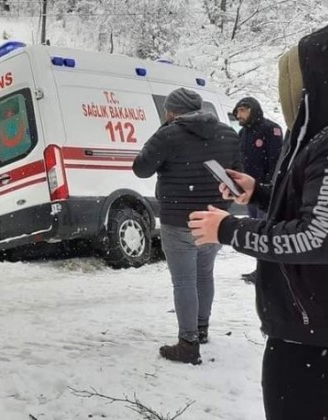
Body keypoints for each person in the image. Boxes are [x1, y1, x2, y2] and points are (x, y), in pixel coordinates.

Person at [188, 25, 328, 419]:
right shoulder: (311, 135)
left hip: (311, 337)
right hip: (308, 329)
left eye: (294, 80)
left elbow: (318, 236)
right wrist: (262, 192)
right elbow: (312, 205)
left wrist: (229, 230)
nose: (289, 92)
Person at [133, 87, 240, 365]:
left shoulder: (168, 134)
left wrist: (161, 137)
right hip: (214, 219)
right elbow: (238, 175)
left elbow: (141, 168)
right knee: (204, 275)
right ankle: (202, 329)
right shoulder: (228, 134)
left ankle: (188, 344)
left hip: (178, 220)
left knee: (183, 281)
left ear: (171, 111)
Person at [231, 97, 284, 283]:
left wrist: (269, 187)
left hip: (266, 192)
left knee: (266, 231)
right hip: (250, 192)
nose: (239, 115)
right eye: (237, 112)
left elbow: (277, 161)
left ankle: (269, 271)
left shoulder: (271, 129)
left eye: (243, 111)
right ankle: (261, 269)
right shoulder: (243, 133)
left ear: (253, 110)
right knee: (257, 232)